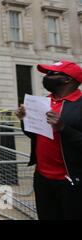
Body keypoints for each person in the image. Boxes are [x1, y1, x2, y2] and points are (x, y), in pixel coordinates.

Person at [16, 60, 82, 220]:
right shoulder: (44, 102)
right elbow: (35, 135)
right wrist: (24, 120)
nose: (46, 77)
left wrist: (63, 128)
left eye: (51, 74)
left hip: (71, 180)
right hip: (42, 177)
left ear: (68, 79)